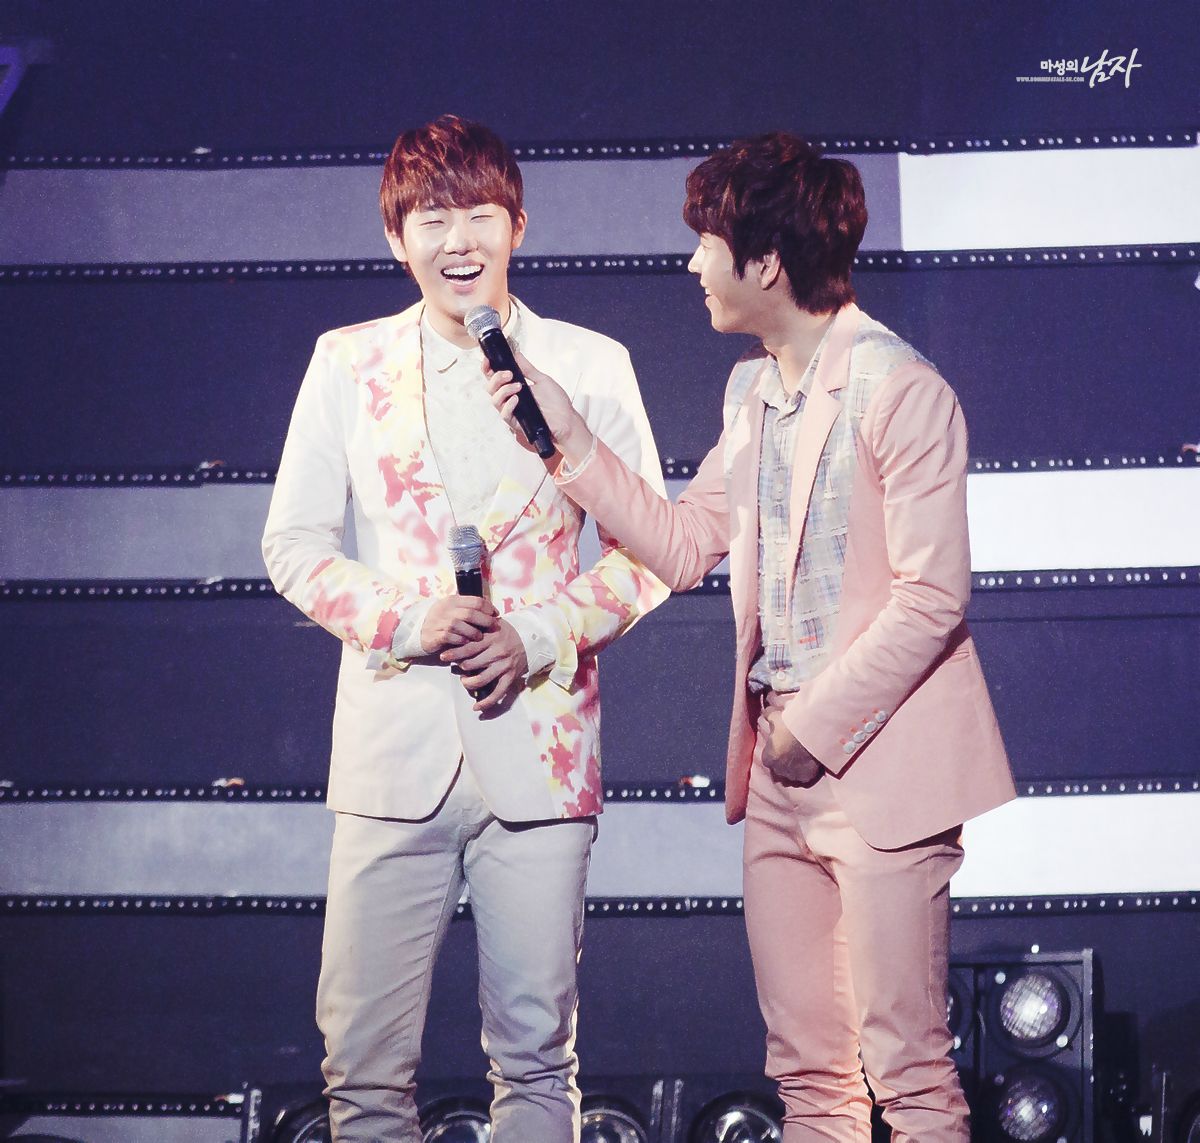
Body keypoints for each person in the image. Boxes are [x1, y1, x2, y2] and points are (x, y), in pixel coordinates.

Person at [488, 131, 1016, 1142]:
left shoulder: (902, 391)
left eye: (709, 243)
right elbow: (685, 544)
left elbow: (931, 599)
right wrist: (568, 444)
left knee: (908, 1074)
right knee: (811, 1079)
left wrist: (809, 729)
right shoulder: (753, 391)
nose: (694, 264)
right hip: (779, 771)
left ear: (766, 262)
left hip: (880, 769)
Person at [262, 114, 668, 1143]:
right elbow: (294, 546)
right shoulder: (346, 363)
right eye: (432, 218)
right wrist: (411, 619)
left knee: (537, 1061)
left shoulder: (590, 363)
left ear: (517, 225)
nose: (458, 240)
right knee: (361, 1067)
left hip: (541, 744)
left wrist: (537, 633)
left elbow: (650, 551)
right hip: (391, 753)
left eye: (480, 214)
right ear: (395, 237)